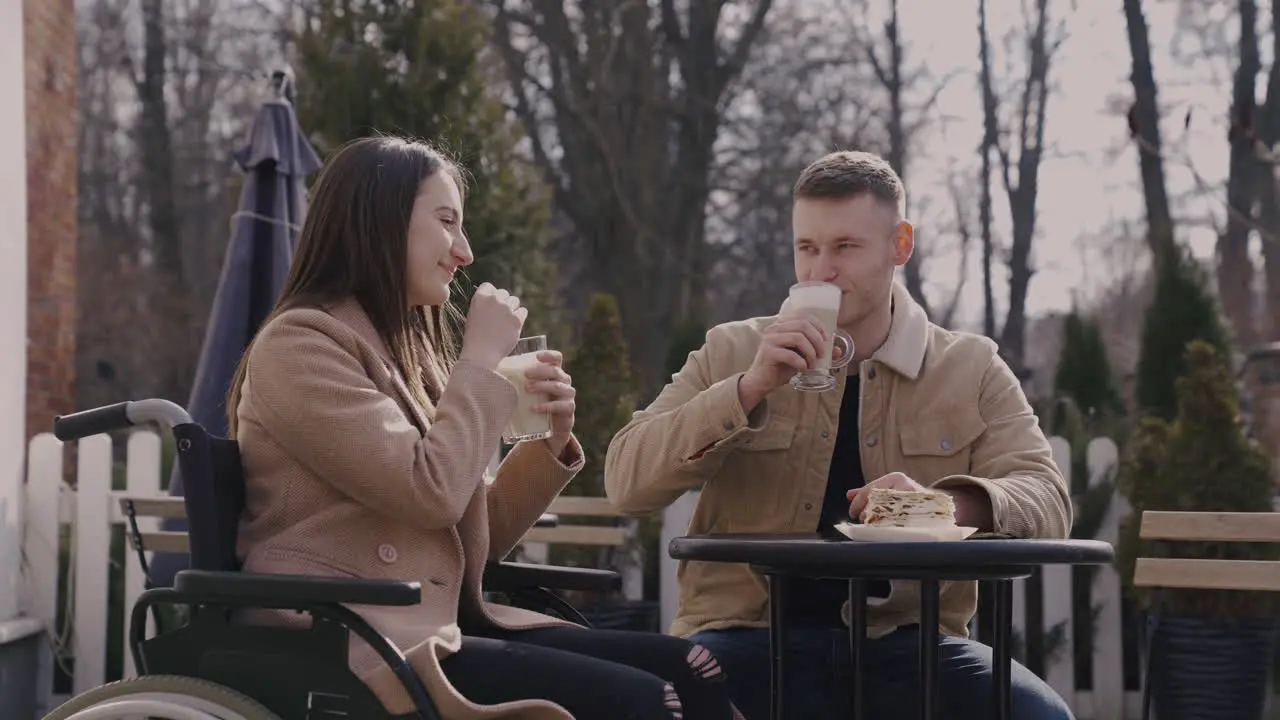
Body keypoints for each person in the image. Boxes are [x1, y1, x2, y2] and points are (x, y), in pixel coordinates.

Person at [227, 136, 738, 720]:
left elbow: (468, 540)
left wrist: (546, 447)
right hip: (351, 638)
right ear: (379, 220)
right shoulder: (298, 345)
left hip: (431, 623)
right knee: (646, 699)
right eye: (447, 222)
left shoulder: (406, 358)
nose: (464, 251)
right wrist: (477, 364)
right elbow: (430, 492)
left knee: (689, 667)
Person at [604, 150, 1074, 719]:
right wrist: (747, 390)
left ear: (900, 245)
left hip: (910, 642)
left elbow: (1048, 499)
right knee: (652, 706)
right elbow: (625, 482)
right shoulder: (732, 349)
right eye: (807, 248)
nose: (820, 272)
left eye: (845, 248)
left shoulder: (968, 367)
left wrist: (936, 507)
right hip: (745, 637)